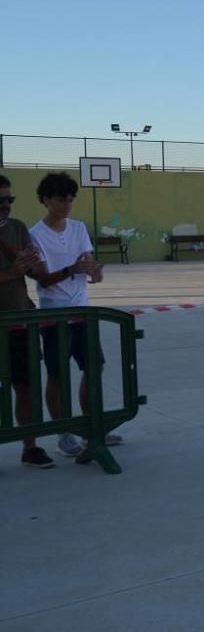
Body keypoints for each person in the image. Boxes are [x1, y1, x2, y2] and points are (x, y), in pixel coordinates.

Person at [29, 172, 113, 459]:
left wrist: (95, 270)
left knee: (94, 368)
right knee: (56, 374)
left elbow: (89, 264)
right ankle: (63, 432)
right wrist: (71, 270)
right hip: (54, 313)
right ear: (45, 200)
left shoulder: (78, 229)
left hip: (82, 311)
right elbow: (42, 279)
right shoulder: (34, 235)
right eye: (60, 199)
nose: (67, 204)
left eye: (70, 199)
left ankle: (92, 426)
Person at [0, 175, 54, 468]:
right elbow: (13, 271)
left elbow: (34, 272)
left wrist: (35, 267)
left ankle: (30, 446)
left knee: (26, 384)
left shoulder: (18, 228)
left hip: (20, 320)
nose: (6, 206)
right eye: (0, 201)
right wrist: (12, 272)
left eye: (9, 200)